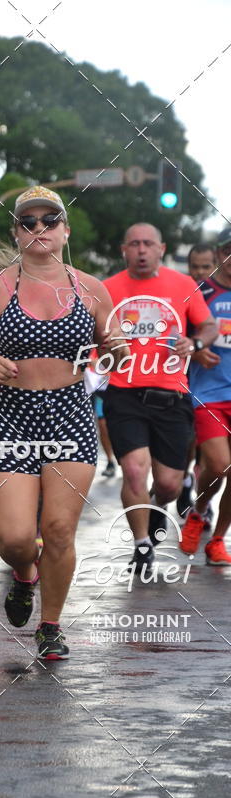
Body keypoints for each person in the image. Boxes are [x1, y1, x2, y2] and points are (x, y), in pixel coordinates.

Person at [0, 185, 128, 661]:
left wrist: (117, 352)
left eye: (49, 220)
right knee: (16, 539)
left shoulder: (90, 288)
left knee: (58, 531)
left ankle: (51, 625)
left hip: (70, 416)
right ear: (17, 233)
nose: (39, 229)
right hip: (14, 418)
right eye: (28, 222)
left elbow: (114, 350)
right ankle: (24, 576)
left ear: (65, 229)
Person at [102, 223, 217, 573]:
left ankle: (156, 504)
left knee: (167, 483)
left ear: (161, 249)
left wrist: (194, 343)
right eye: (134, 244)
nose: (141, 250)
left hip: (171, 395)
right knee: (134, 472)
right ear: (124, 249)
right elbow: (93, 335)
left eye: (148, 244)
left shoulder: (182, 285)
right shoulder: (107, 289)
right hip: (125, 394)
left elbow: (209, 326)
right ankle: (142, 546)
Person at [180, 226, 231, 564]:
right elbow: (175, 334)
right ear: (218, 254)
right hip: (208, 393)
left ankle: (217, 540)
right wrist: (195, 351)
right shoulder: (201, 291)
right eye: (228, 251)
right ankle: (198, 510)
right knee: (219, 464)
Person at [177, 243, 217, 518]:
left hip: (216, 387)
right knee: (188, 440)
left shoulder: (219, 294)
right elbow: (174, 338)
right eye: (195, 267)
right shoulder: (185, 295)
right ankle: (184, 484)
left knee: (209, 449)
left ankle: (201, 496)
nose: (200, 272)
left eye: (206, 266)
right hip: (186, 383)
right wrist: (196, 352)